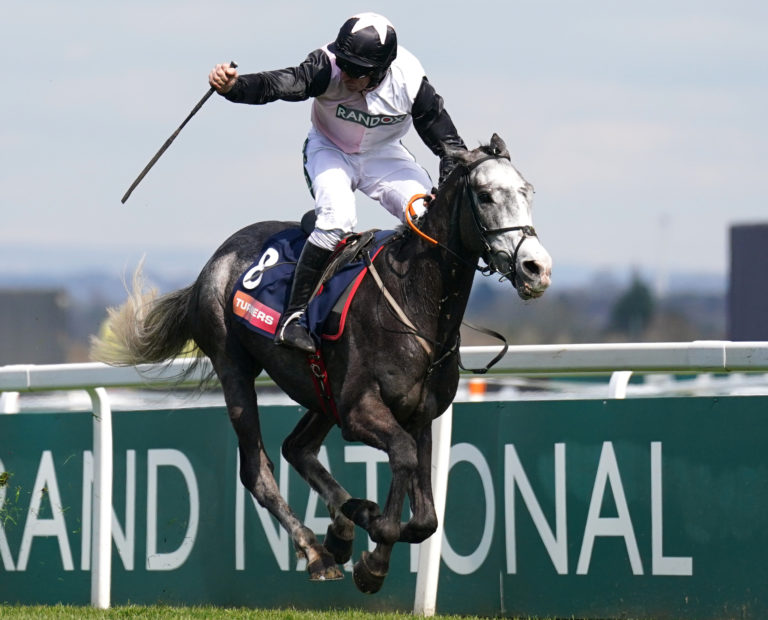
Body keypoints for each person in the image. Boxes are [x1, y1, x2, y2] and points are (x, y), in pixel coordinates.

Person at [209, 12, 466, 353]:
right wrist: (234, 88)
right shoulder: (324, 66)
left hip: (384, 157)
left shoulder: (411, 82)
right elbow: (277, 84)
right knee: (336, 223)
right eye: (343, 63)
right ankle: (294, 317)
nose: (344, 74)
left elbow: (450, 148)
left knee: (426, 220)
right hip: (330, 150)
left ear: (380, 72)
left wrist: (446, 193)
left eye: (355, 70)